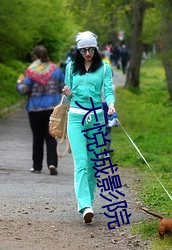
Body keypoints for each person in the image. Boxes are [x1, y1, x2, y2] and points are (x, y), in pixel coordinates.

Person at [62, 31, 115, 223]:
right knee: (82, 163)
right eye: (83, 50)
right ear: (78, 50)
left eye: (91, 49)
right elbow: (68, 97)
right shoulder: (70, 68)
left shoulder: (104, 68)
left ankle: (89, 201)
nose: (87, 53)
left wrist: (110, 104)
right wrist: (67, 92)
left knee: (93, 164)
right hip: (76, 118)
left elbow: (108, 90)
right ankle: (84, 205)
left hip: (96, 118)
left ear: (96, 48)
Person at [16, 45, 65, 175]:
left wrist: (19, 83)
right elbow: (63, 87)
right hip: (52, 109)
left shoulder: (31, 71)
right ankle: (52, 163)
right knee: (50, 137)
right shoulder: (56, 70)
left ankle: (37, 166)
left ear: (35, 57)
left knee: (37, 138)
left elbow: (24, 90)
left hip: (35, 109)